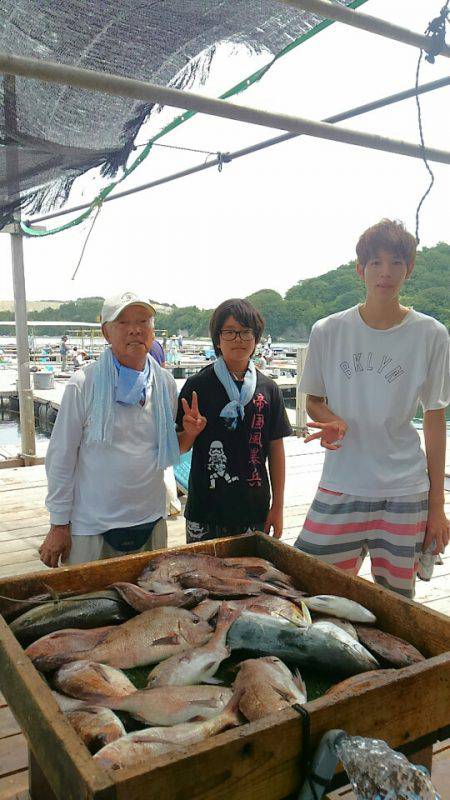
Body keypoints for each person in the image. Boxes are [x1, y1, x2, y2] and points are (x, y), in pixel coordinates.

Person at [294, 219, 450, 598]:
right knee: (310, 588)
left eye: (396, 262)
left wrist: (437, 507)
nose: (386, 273)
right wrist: (331, 420)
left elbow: (434, 418)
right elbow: (313, 398)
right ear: (360, 269)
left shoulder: (430, 334)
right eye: (375, 262)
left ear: (409, 268)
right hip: (342, 482)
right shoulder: (328, 330)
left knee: (396, 600)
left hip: (405, 490)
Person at [40, 291, 181, 567]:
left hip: (151, 520)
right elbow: (61, 457)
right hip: (93, 526)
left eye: (144, 321)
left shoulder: (165, 384)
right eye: (124, 323)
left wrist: (191, 433)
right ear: (106, 332)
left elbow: (165, 446)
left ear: (153, 331)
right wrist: (58, 524)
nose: (136, 330)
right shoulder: (83, 383)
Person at [176, 298, 292, 543]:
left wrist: (278, 506)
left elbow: (276, 450)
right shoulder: (197, 386)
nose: (238, 339)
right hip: (205, 510)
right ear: (217, 339)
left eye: (245, 332)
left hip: (253, 509)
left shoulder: (269, 389)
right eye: (229, 332)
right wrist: (190, 433)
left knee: (248, 577)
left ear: (256, 338)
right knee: (202, 580)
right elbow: (180, 447)